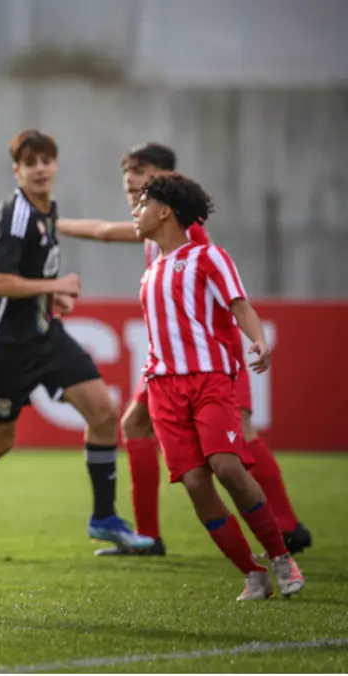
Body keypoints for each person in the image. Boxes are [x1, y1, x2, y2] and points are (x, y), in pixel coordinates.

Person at [57, 143, 310, 556]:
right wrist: (53, 221)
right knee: (135, 424)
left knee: (236, 444)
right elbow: (102, 230)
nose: (131, 184)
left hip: (214, 357)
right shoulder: (149, 229)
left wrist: (251, 341)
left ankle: (286, 526)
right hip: (172, 360)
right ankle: (148, 536)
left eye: (141, 175)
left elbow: (228, 294)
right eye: (128, 177)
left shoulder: (190, 237)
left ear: (166, 186)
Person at [0, 130, 154, 558]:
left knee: (104, 412)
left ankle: (104, 519)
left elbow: (25, 277)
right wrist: (54, 283)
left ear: (56, 164)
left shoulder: (48, 210)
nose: (40, 169)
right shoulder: (15, 214)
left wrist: (51, 296)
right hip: (4, 345)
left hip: (43, 335)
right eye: (30, 163)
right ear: (17, 171)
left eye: (46, 160)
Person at [131, 172, 304, 600]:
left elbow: (240, 306)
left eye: (142, 203)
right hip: (163, 390)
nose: (136, 211)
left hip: (209, 381)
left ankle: (280, 556)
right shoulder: (151, 271)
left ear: (165, 210)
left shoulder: (209, 257)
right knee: (194, 483)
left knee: (227, 466)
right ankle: (253, 573)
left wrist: (258, 339)